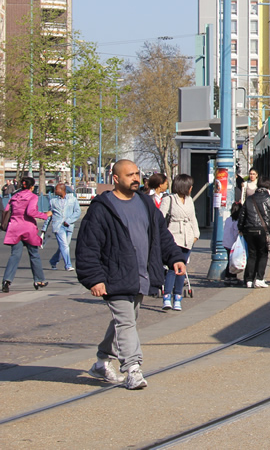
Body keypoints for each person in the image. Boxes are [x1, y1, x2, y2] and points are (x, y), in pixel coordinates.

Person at [75, 160, 187, 389]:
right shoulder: (102, 208)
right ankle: (133, 369)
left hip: (140, 274)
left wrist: (175, 257)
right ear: (115, 179)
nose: (136, 178)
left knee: (126, 320)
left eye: (137, 174)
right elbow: (88, 246)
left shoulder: (146, 203)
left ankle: (102, 360)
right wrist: (95, 279)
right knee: (126, 321)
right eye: (130, 175)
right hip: (114, 275)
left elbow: (161, 236)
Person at [2, 177, 52, 292]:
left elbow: (6, 210)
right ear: (32, 187)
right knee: (34, 254)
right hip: (27, 228)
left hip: (14, 228)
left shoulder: (14, 197)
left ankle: (7, 280)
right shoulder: (32, 196)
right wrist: (45, 215)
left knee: (14, 255)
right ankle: (39, 279)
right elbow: (30, 212)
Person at [160, 174, 199, 311]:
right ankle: (167, 296)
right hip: (173, 236)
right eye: (190, 185)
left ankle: (177, 297)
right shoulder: (169, 200)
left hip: (187, 237)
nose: (191, 188)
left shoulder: (189, 201)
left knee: (182, 269)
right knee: (172, 268)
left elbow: (193, 218)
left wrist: (196, 235)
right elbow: (160, 218)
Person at [239, 175, 270, 288]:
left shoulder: (250, 199)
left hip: (249, 230)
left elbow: (242, 215)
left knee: (252, 254)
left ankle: (249, 280)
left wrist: (241, 228)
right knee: (263, 254)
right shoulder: (269, 199)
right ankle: (259, 278)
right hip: (263, 230)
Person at [47, 183, 81, 271]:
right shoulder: (53, 201)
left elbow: (77, 212)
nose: (55, 191)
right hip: (58, 226)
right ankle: (68, 265)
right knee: (65, 246)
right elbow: (49, 215)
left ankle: (53, 261)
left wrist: (69, 220)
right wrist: (44, 229)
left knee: (64, 246)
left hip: (69, 225)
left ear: (62, 190)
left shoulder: (72, 199)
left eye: (56, 189)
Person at [222, 201, 243, 284]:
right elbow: (235, 233)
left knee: (229, 260)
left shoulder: (228, 219)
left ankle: (228, 276)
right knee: (233, 261)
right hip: (232, 244)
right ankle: (232, 277)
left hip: (226, 243)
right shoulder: (237, 222)